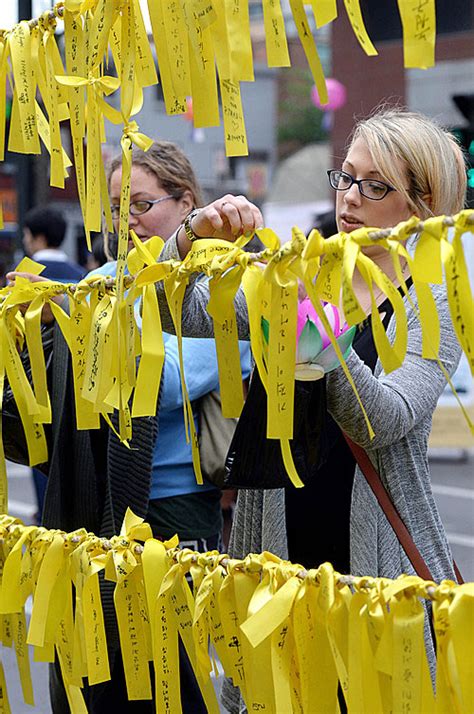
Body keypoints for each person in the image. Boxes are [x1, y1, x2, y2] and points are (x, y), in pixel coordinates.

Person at [151, 108, 466, 708]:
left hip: (379, 568)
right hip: (274, 541)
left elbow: (386, 420)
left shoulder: (433, 302)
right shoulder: (301, 273)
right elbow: (176, 316)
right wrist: (193, 234)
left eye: (375, 186)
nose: (350, 199)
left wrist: (312, 333)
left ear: (420, 205)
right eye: (345, 177)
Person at [4, 141, 251, 713]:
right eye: (115, 210)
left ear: (186, 203)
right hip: (86, 509)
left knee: (170, 681)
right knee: (87, 681)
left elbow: (161, 384)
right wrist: (28, 338)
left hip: (174, 509)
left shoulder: (219, 282)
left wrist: (73, 329)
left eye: (141, 204)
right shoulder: (102, 282)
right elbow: (36, 407)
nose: (128, 223)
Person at [22, 206, 86, 524]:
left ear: (37, 237)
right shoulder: (83, 276)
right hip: (78, 387)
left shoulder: (25, 274)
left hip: (37, 389)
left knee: (42, 459)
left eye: (26, 236)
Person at [23, 205, 85, 282]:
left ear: (40, 239)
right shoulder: (81, 275)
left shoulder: (21, 273)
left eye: (26, 234)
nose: (24, 240)